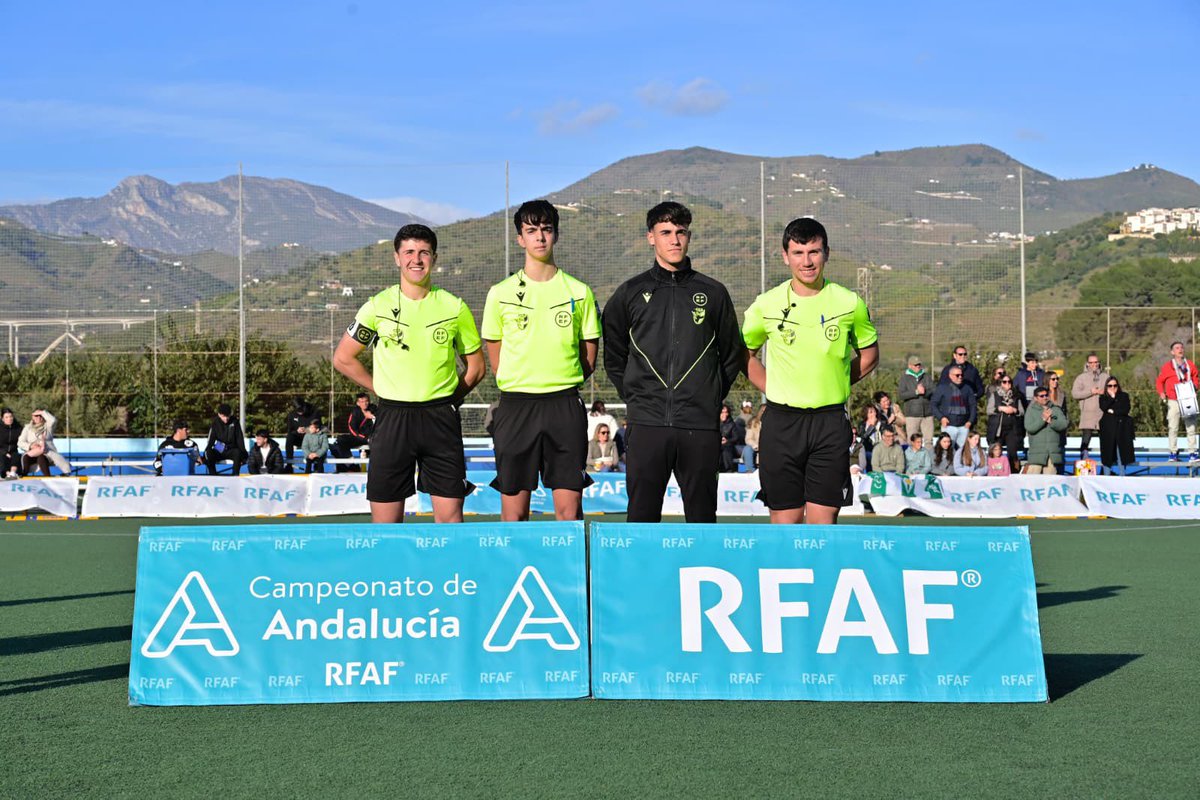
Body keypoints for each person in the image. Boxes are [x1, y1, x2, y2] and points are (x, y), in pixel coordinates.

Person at [332, 223, 485, 523]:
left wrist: (448, 400)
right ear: (397, 258)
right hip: (392, 419)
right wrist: (379, 388)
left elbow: (477, 367)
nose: (417, 259)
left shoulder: (454, 307)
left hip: (440, 419)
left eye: (424, 252)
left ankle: (452, 572)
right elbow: (343, 358)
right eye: (409, 252)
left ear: (434, 258)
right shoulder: (377, 306)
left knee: (450, 522)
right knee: (386, 526)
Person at [603, 201, 744, 523]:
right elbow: (613, 355)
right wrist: (637, 396)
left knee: (702, 518)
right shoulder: (630, 293)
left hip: (698, 423)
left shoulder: (713, 293)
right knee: (641, 517)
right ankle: (641, 575)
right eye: (666, 232)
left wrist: (707, 395)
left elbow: (732, 353)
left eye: (680, 232)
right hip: (647, 422)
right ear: (651, 237)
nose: (674, 240)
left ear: (689, 236)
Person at [743, 217, 879, 524]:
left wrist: (838, 378)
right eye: (798, 253)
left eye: (814, 252)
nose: (807, 261)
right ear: (785, 256)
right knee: (785, 520)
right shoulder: (766, 304)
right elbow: (744, 354)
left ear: (826, 253)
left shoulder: (849, 303)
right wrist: (770, 385)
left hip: (829, 422)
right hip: (781, 422)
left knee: (823, 524)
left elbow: (870, 355)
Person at [483, 200, 601, 521]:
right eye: (531, 231)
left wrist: (560, 379)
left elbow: (588, 355)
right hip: (516, 407)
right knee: (514, 514)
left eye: (546, 230)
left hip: (563, 406)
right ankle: (515, 572)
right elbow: (496, 354)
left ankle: (570, 572)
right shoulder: (500, 293)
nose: (539, 238)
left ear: (556, 235)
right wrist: (522, 379)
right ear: (520, 238)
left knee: (569, 512)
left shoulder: (579, 292)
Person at [1154, 341, 1199, 462]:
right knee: (1173, 427)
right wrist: (1162, 393)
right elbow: (1159, 381)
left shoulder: (1190, 365)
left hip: (1188, 399)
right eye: (1177, 348)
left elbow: (1196, 378)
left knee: (1191, 427)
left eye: (1181, 347)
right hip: (1173, 400)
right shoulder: (1168, 366)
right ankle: (1173, 453)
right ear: (1172, 352)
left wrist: (1195, 386)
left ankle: (1192, 453)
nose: (1180, 349)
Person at [1023, 386, 1068, 474]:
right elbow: (1029, 428)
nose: (1045, 397)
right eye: (1041, 396)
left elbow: (1064, 424)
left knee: (1050, 483)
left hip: (1052, 454)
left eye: (1046, 395)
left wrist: (1051, 422)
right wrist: (1043, 420)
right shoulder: (1031, 410)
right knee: (1032, 482)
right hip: (1036, 454)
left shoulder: (1056, 409)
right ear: (1035, 398)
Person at [1071, 355, 1109, 459]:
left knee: (1106, 443)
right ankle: (1083, 464)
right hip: (1087, 415)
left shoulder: (1106, 377)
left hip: (1103, 414)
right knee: (1085, 442)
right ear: (1087, 363)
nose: (1094, 364)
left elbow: (1114, 391)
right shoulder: (1081, 378)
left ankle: (1106, 469)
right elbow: (1075, 394)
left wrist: (1104, 392)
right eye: (1091, 362)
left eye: (1096, 362)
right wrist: (1090, 392)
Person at [985, 375, 1025, 473]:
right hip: (998, 428)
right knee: (996, 451)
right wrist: (1001, 408)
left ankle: (1014, 473)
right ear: (1000, 383)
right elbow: (989, 410)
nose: (1007, 384)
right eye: (1004, 382)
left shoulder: (1016, 395)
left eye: (1009, 382)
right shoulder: (995, 395)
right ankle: (995, 473)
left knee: (1012, 452)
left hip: (1012, 429)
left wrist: (1014, 410)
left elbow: (1022, 411)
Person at [931, 366, 977, 449]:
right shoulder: (942, 388)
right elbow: (933, 404)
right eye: (957, 375)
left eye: (961, 375)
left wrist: (970, 421)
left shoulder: (967, 389)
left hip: (964, 426)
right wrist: (941, 418)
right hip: (948, 426)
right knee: (948, 451)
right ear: (950, 375)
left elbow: (973, 405)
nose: (960, 377)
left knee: (962, 451)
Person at [1099, 377, 1136, 475]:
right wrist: (1112, 398)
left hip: (1121, 429)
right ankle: (1106, 476)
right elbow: (1104, 407)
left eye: (1115, 385)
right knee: (1107, 455)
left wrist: (1113, 411)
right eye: (1110, 386)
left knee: (1121, 454)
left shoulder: (1124, 396)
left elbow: (1125, 409)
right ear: (1106, 387)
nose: (1112, 388)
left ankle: (1122, 476)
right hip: (1108, 430)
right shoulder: (1103, 397)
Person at [18, 409, 71, 476]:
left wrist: (42, 412)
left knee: (41, 457)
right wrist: (31, 445)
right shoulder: (27, 427)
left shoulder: (48, 427)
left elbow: (53, 420)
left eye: (41, 416)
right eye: (36, 416)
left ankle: (48, 477)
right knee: (26, 457)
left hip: (47, 454)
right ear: (32, 417)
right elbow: (20, 442)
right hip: (32, 453)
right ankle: (24, 476)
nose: (39, 417)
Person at [334, 393, 376, 472]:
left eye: (366, 401)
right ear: (358, 403)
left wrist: (373, 417)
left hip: (373, 437)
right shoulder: (355, 412)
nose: (365, 403)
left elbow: (383, 422)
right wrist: (364, 438)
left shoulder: (374, 409)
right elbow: (352, 428)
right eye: (362, 401)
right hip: (359, 437)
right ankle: (351, 464)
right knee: (340, 440)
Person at [898, 354, 935, 443]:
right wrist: (916, 392)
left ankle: (928, 456)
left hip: (927, 414)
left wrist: (925, 392)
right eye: (915, 365)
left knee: (928, 441)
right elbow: (901, 395)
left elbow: (934, 390)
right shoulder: (904, 379)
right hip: (912, 415)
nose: (918, 366)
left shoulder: (926, 377)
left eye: (919, 364)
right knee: (912, 440)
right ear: (909, 366)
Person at [204, 403, 247, 476]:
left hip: (231, 449)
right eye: (223, 416)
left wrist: (244, 454)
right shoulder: (215, 423)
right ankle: (213, 475)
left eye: (228, 416)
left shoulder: (235, 422)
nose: (226, 419)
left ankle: (235, 475)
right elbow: (211, 440)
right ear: (219, 415)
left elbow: (239, 439)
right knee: (209, 453)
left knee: (237, 453)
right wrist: (206, 452)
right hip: (219, 449)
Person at [1045, 372, 1070, 472]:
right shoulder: (1043, 394)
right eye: (1053, 379)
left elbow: (1065, 411)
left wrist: (1066, 423)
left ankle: (1061, 474)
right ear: (1047, 380)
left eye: (1057, 379)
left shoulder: (1061, 394)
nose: (1056, 381)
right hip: (1047, 428)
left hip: (1060, 428)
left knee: (1061, 455)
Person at [283, 397, 317, 467]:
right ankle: (289, 464)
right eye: (298, 411)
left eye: (302, 410)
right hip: (299, 439)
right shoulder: (292, 415)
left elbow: (319, 427)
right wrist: (297, 431)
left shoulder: (313, 412)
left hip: (311, 439)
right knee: (289, 437)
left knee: (317, 438)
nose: (300, 412)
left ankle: (316, 465)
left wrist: (307, 430)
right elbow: (290, 430)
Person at [718, 403, 743, 472]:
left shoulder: (731, 424)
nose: (724, 414)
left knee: (726, 449)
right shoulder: (714, 423)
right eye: (722, 412)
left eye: (726, 412)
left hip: (728, 445)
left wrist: (727, 440)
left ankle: (728, 470)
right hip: (716, 445)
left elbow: (736, 437)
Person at [742, 404, 765, 473]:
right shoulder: (753, 423)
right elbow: (748, 439)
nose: (764, 413)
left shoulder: (774, 423)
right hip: (756, 446)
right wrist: (756, 445)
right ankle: (750, 471)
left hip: (769, 448)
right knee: (747, 448)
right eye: (763, 411)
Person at [1, 408, 21, 478]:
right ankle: (7, 474)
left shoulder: (18, 428)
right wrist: (5, 453)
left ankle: (13, 473)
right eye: (6, 417)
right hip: (1, 451)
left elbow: (23, 440)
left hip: (13, 451)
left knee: (16, 455)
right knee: (2, 457)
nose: (9, 419)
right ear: (2, 418)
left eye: (11, 416)